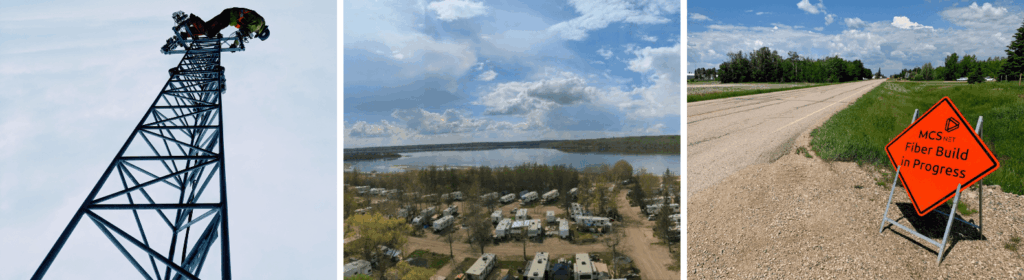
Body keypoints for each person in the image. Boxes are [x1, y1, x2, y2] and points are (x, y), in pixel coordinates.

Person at [181, 8, 269, 45]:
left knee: (207, 29)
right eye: (257, 34)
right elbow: (245, 31)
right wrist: (244, 36)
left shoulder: (258, 22)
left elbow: (241, 32)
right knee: (209, 32)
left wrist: (236, 43)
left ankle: (187, 33)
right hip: (228, 17)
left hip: (228, 16)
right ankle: (191, 20)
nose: (255, 33)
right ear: (261, 32)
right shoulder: (257, 25)